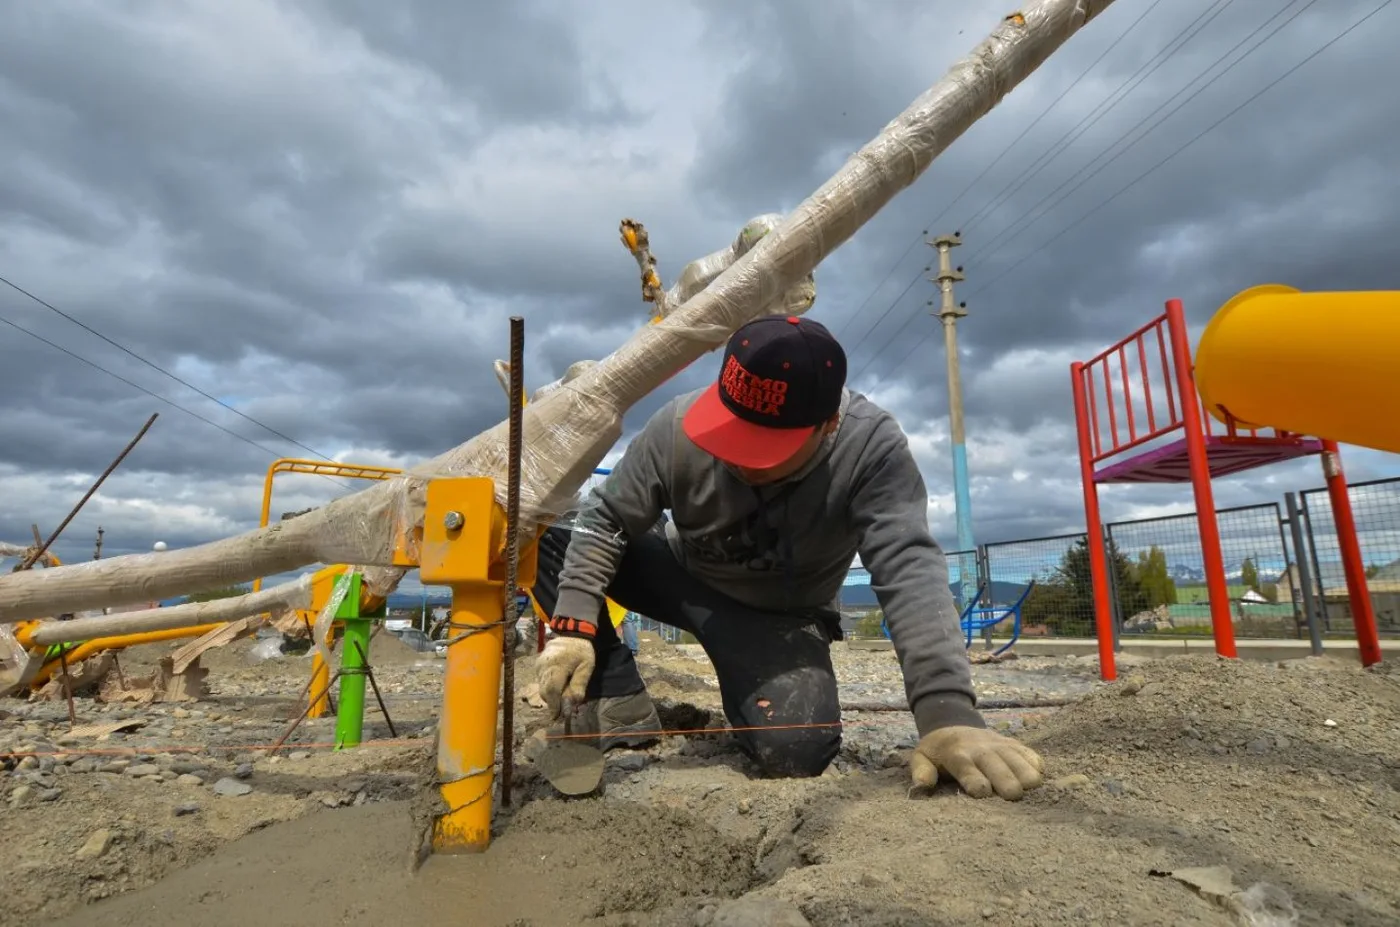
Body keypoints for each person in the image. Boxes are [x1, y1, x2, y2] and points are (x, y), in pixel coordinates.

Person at [529, 314, 1043, 800]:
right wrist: (573, 627)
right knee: (547, 527)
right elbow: (606, 519)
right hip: (678, 577)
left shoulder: (869, 449)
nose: (736, 457)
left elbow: (909, 571)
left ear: (827, 424)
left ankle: (752, 675)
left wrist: (947, 714)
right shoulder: (676, 428)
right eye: (731, 433)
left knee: (797, 750)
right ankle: (618, 698)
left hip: (778, 618)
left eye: (763, 447)